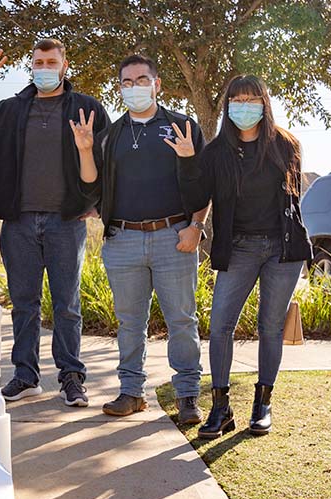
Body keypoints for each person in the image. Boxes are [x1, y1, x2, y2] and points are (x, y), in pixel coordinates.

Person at [0, 39, 109, 407]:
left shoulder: (87, 108)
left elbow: (107, 160)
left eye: (51, 61)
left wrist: (96, 204)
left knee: (67, 304)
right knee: (24, 304)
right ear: (31, 67)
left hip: (66, 222)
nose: (44, 67)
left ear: (64, 64)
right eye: (38, 62)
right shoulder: (11, 109)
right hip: (19, 222)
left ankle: (71, 377)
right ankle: (25, 376)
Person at [169, 74, 312, 437]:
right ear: (227, 106)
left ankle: (262, 404)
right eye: (237, 100)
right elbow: (197, 199)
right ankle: (221, 407)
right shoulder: (216, 152)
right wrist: (187, 161)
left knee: (270, 328)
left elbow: (293, 202)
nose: (244, 107)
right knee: (220, 326)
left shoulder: (286, 145)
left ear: (264, 104)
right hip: (240, 248)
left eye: (252, 100)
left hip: (283, 251)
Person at [73, 54, 209, 422]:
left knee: (182, 320)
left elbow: (203, 185)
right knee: (129, 322)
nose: (135, 87)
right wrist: (86, 150)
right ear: (120, 89)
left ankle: (187, 396)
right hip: (124, 240)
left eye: (141, 79)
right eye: (127, 82)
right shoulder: (110, 136)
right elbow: (91, 186)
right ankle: (131, 392)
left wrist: (195, 227)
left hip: (173, 237)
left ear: (157, 83)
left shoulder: (182, 127)